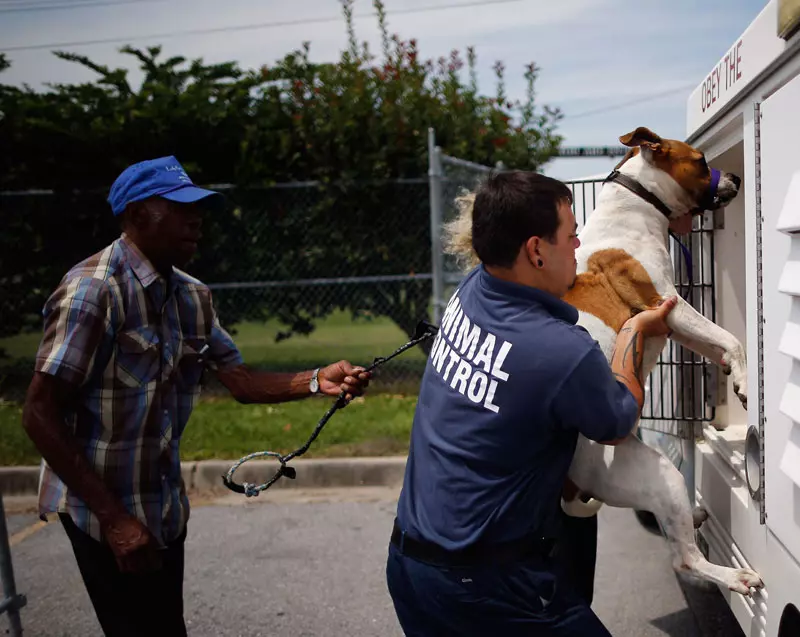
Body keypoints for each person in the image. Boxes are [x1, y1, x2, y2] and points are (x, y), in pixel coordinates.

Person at [20, 156, 372, 637]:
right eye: (180, 207)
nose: (196, 218)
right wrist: (116, 521)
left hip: (162, 507)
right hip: (100, 510)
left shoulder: (191, 296)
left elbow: (239, 380)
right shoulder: (93, 291)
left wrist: (316, 379)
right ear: (137, 215)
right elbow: (39, 413)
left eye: (199, 207)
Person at [385, 170, 678, 635]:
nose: (579, 247)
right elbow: (619, 420)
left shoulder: (468, 294)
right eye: (571, 236)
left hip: (411, 566)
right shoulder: (560, 350)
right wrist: (633, 332)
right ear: (536, 250)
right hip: (487, 588)